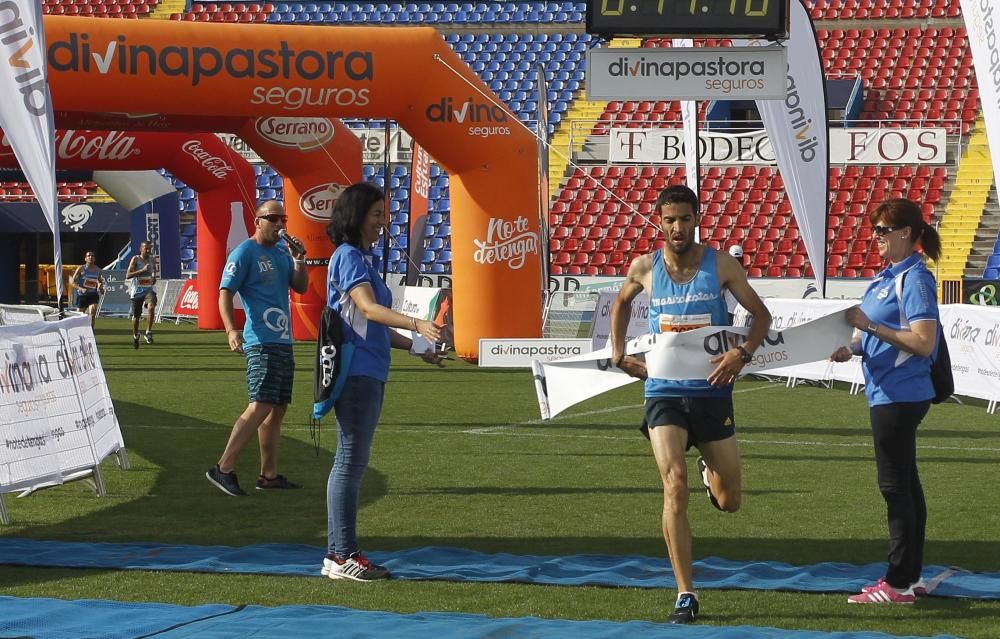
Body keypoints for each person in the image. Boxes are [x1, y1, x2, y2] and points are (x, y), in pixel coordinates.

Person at [609, 184, 772, 624]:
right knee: (672, 484)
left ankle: (711, 474)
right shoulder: (644, 267)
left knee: (731, 500)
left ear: (696, 219)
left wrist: (742, 353)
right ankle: (686, 593)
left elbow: (762, 316)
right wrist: (618, 352)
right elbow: (620, 304)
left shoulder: (721, 265)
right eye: (669, 220)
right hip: (662, 391)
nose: (677, 227)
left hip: (712, 391)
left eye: (684, 219)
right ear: (658, 222)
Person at [321, 182, 445, 582]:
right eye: (376, 214)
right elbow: (369, 310)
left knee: (351, 462)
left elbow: (375, 326)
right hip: (356, 371)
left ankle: (341, 552)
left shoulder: (359, 259)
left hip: (368, 368)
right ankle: (341, 555)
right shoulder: (349, 258)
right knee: (349, 462)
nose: (383, 222)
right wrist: (417, 322)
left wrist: (417, 347)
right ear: (356, 216)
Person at [830, 199, 942, 604]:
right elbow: (871, 335)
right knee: (906, 486)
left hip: (900, 392)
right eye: (874, 229)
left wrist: (868, 326)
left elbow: (923, 341)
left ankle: (897, 582)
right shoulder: (886, 277)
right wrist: (853, 348)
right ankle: (910, 577)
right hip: (888, 390)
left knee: (895, 487)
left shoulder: (914, 278)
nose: (875, 237)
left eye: (882, 230)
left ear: (908, 234)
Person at [206, 200, 309, 497]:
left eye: (282, 219)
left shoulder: (281, 252)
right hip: (261, 340)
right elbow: (225, 292)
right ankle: (223, 468)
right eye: (273, 218)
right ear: (257, 221)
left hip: (282, 340)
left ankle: (269, 475)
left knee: (277, 410)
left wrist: (299, 259)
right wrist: (230, 330)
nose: (279, 224)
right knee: (260, 404)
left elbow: (300, 287)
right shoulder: (244, 252)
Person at [125, 240, 158, 349]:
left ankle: (148, 332)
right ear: (141, 249)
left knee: (151, 307)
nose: (148, 251)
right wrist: (142, 270)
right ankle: (135, 335)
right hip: (137, 291)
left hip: (148, 290)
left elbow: (154, 274)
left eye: (149, 249)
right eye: (146, 248)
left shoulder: (153, 260)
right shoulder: (135, 259)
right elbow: (128, 275)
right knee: (136, 317)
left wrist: (153, 279)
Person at [70, 250, 104, 327]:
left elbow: (100, 281)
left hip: (93, 294)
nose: (90, 257)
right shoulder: (81, 268)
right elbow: (72, 281)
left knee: (92, 313)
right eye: (88, 256)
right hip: (82, 295)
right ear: (85, 258)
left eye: (92, 256)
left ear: (94, 259)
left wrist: (100, 287)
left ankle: (91, 331)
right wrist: (80, 288)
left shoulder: (98, 270)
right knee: (79, 316)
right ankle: (77, 331)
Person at [724, 244, 745, 324]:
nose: (736, 262)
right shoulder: (725, 273)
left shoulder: (741, 275)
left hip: (730, 312)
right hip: (727, 312)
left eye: (738, 260)